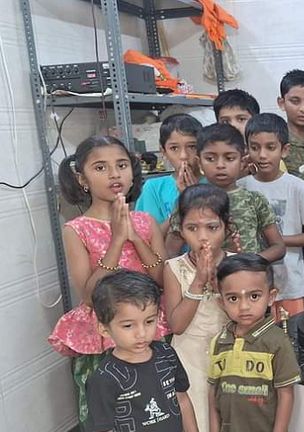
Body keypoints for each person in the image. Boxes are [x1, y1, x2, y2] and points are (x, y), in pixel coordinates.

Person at [47, 136, 169, 425]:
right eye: (100, 168)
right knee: (109, 414)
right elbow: (89, 295)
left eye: (122, 165)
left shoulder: (145, 221)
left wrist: (135, 237)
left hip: (146, 328)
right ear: (82, 179)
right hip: (104, 336)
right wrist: (117, 240)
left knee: (152, 409)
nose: (114, 174)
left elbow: (161, 278)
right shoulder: (76, 229)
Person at [86, 271, 198, 432]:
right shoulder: (105, 378)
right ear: (104, 328)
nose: (141, 333)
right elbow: (102, 428)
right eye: (128, 325)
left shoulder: (166, 354)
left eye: (149, 321)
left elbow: (182, 399)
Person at [163, 184, 232, 432]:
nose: (202, 237)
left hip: (231, 357)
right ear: (181, 230)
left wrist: (220, 286)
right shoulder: (173, 268)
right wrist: (199, 281)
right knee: (198, 418)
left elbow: (249, 319)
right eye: (192, 228)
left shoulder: (236, 266)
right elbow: (177, 326)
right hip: (189, 359)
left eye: (212, 228)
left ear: (226, 227)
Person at [240, 113, 304, 315]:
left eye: (270, 147)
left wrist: (276, 240)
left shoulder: (296, 187)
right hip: (249, 284)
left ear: (284, 150)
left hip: (289, 284)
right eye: (254, 147)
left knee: (290, 340)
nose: (262, 155)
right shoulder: (241, 187)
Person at [208, 253, 301, 432]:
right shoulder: (219, 342)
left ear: (271, 297)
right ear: (222, 302)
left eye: (254, 296)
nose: (244, 307)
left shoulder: (277, 342)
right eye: (233, 298)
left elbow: (286, 394)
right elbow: (213, 393)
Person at [166, 123, 286, 261]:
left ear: (242, 161)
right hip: (204, 278)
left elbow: (278, 247)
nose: (220, 165)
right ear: (199, 163)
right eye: (210, 159)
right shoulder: (189, 201)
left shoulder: (254, 200)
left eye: (229, 158)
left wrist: (248, 263)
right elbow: (171, 251)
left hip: (248, 278)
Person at [135, 113, 203, 228]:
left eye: (192, 147)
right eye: (174, 148)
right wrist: (182, 204)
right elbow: (150, 239)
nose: (183, 156)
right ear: (163, 151)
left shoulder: (214, 183)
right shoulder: (153, 188)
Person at [278, 69, 304, 183]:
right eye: (295, 101)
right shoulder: (277, 141)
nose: (303, 109)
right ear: (282, 103)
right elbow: (292, 187)